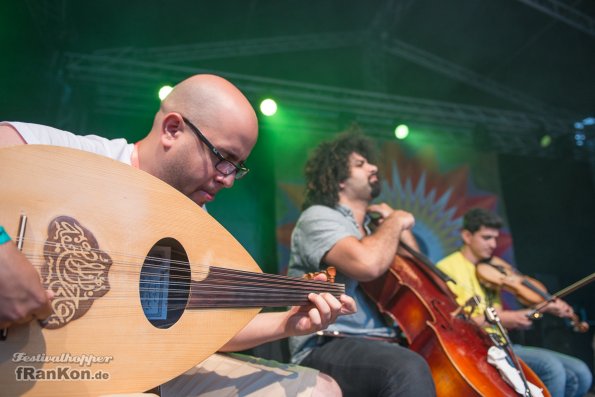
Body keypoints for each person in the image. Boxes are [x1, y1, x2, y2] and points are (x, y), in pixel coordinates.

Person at [0, 74, 357, 397]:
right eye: (222, 158)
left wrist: (287, 322)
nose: (228, 178)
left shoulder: (193, 222)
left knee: (317, 390)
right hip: (53, 367)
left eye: (237, 167)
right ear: (172, 129)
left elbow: (196, 327)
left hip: (129, 364)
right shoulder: (79, 155)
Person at [287, 129, 437, 397]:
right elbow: (367, 265)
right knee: (407, 368)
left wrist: (397, 228)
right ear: (339, 180)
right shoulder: (318, 216)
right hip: (329, 341)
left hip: (384, 342)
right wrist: (396, 221)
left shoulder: (377, 230)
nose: (373, 167)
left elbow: (418, 271)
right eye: (360, 164)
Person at [436, 207, 592, 397]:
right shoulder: (447, 269)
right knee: (552, 368)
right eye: (486, 238)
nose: (493, 244)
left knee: (581, 372)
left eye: (495, 238)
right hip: (481, 348)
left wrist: (540, 308)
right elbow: (455, 324)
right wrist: (510, 317)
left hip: (505, 343)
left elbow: (503, 314)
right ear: (467, 236)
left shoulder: (492, 268)